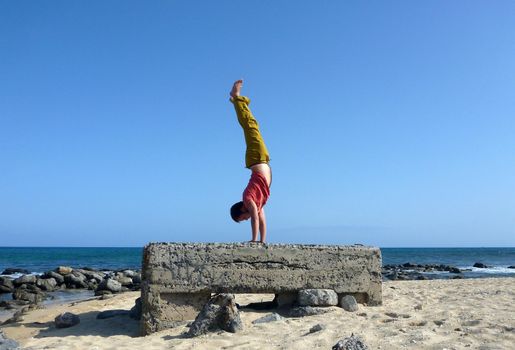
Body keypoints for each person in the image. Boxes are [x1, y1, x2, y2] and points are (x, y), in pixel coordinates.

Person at [229, 79, 272, 243]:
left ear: (241, 210)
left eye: (243, 218)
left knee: (251, 126)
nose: (246, 219)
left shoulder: (248, 198)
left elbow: (254, 218)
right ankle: (236, 102)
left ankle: (236, 98)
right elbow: (261, 219)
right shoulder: (256, 203)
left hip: (256, 158)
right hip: (261, 160)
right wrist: (262, 242)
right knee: (252, 126)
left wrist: (253, 241)